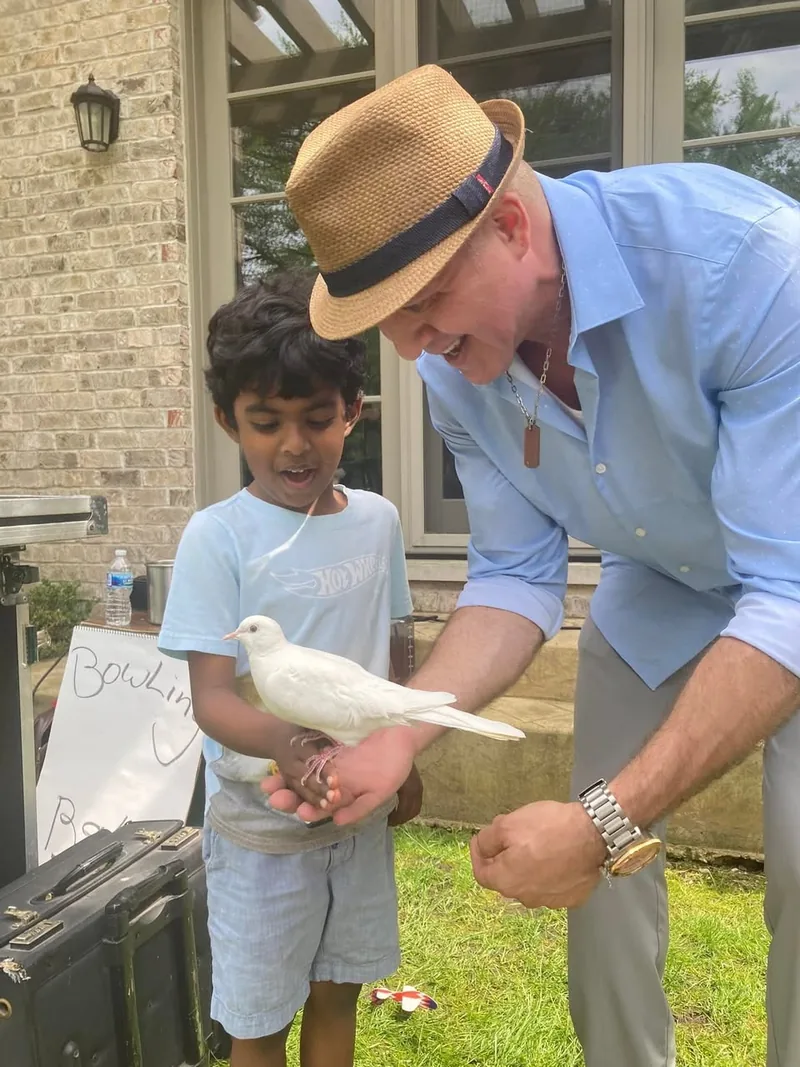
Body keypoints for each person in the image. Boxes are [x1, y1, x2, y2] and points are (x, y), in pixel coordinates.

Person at [262, 65, 800, 1066]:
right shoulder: (448, 365)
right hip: (658, 589)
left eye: (424, 301)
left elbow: (788, 595)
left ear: (509, 224)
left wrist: (602, 816)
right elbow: (512, 576)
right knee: (598, 889)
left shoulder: (751, 266)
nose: (414, 345)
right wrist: (396, 732)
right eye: (388, 320)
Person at [157, 270, 421, 1067]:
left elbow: (395, 636)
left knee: (337, 991)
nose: (295, 444)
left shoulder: (378, 520)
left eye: (317, 418)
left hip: (356, 812)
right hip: (261, 824)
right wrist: (290, 746)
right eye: (266, 422)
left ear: (354, 412)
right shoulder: (217, 537)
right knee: (260, 1016)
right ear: (226, 420)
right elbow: (211, 697)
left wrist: (400, 744)